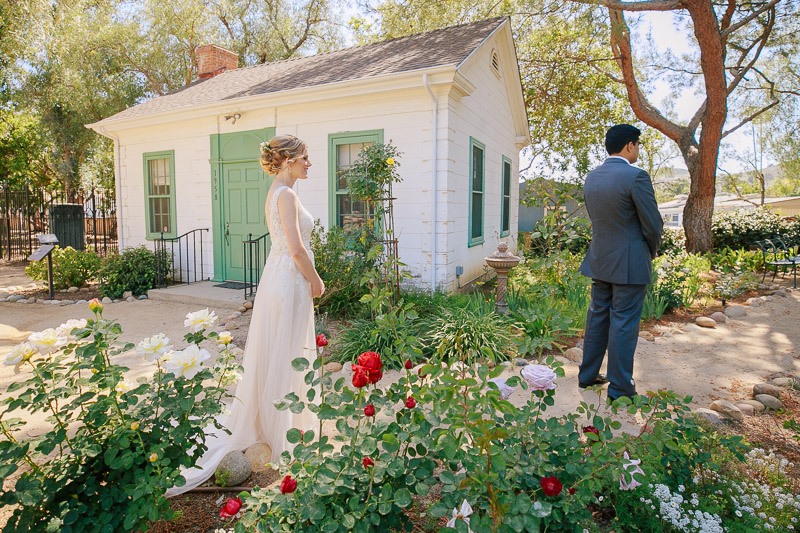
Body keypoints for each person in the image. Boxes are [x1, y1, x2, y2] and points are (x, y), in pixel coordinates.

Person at [167, 134, 323, 496]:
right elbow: (297, 249)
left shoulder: (280, 192)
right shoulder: (285, 195)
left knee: (284, 351)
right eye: (304, 157)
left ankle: (281, 423)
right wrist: (317, 281)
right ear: (287, 159)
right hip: (290, 279)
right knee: (288, 352)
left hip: (282, 278)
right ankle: (282, 431)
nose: (308, 163)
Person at [577, 124, 663, 402]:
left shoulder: (592, 177)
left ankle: (587, 376)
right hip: (629, 262)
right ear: (629, 145)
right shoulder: (636, 176)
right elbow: (653, 223)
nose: (638, 149)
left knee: (597, 317)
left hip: (600, 259)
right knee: (624, 323)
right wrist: (651, 250)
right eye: (638, 144)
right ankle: (620, 388)